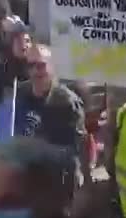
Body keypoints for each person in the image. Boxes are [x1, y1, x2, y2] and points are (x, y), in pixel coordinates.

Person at [14, 43, 90, 186]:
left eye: (41, 65)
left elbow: (75, 151)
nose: (36, 71)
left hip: (57, 183)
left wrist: (39, 149)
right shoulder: (20, 93)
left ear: (52, 67)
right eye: (31, 66)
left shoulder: (67, 103)